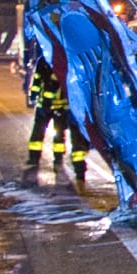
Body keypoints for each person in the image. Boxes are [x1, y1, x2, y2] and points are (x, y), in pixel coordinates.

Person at [26, 55, 87, 183]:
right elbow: (37, 79)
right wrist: (34, 95)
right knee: (51, 134)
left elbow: (37, 81)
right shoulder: (59, 60)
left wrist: (33, 96)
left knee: (53, 134)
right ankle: (42, 157)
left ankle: (44, 158)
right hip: (54, 106)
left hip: (52, 106)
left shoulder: (47, 61)